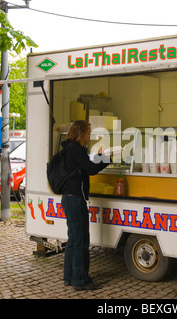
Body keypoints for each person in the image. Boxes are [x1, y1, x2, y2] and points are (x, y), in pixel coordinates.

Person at [60, 120, 110, 290]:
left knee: (73, 239)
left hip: (68, 198)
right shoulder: (76, 149)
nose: (90, 136)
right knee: (81, 240)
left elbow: (84, 165)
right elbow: (90, 169)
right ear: (81, 134)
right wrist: (106, 158)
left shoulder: (69, 148)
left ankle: (69, 277)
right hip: (76, 199)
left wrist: (98, 157)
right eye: (88, 133)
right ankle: (81, 280)